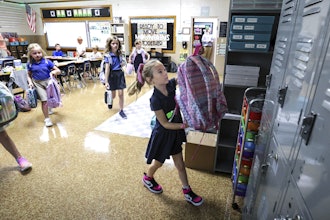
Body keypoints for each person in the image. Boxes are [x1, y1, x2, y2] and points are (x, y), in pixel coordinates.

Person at [129, 59, 203, 206]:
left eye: (164, 70)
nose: (165, 73)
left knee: (180, 165)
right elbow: (164, 123)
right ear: (151, 80)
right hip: (164, 134)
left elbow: (182, 77)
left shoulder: (170, 85)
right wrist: (183, 125)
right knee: (158, 163)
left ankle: (187, 191)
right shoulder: (155, 99)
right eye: (160, 72)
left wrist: (191, 65)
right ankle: (148, 178)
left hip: (175, 132)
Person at [26, 43, 61, 127]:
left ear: (42, 52)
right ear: (30, 54)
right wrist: (30, 82)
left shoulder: (47, 62)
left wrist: (54, 71)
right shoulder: (30, 64)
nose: (37, 55)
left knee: (51, 98)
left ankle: (50, 108)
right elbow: (28, 75)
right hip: (38, 83)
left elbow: (58, 70)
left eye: (39, 52)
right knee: (44, 100)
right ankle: (47, 119)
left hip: (48, 82)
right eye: (34, 53)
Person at [103, 36, 127, 119]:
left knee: (121, 94)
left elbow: (124, 63)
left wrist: (124, 65)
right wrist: (106, 81)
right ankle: (109, 99)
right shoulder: (108, 56)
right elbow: (107, 69)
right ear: (109, 45)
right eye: (113, 43)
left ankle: (121, 110)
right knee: (113, 95)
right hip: (112, 75)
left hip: (119, 74)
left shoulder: (120, 54)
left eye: (116, 43)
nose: (115, 45)